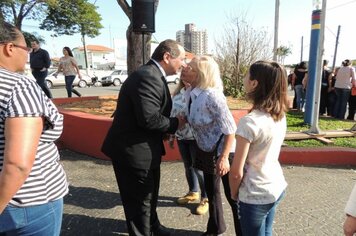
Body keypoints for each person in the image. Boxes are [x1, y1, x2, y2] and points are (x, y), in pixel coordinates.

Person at [101, 39, 186, 236]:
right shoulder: (148, 76)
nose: (183, 64)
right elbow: (149, 119)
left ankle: (153, 227)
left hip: (144, 149)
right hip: (133, 153)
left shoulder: (152, 74)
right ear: (167, 57)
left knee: (149, 197)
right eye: (181, 59)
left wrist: (165, 129)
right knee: (139, 202)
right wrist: (175, 124)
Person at [0, 21, 68, 235]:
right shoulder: (18, 86)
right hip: (26, 203)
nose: (28, 54)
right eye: (25, 49)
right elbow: (18, 164)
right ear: (9, 48)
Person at [182, 55, 241, 236]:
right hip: (205, 150)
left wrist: (224, 158)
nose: (184, 68)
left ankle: (243, 231)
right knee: (212, 193)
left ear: (201, 73)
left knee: (233, 198)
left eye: (190, 67)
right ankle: (215, 229)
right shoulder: (191, 92)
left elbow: (230, 129)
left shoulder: (212, 96)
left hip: (222, 152)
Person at [229, 60, 288, 236]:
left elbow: (236, 172)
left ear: (254, 83)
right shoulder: (279, 114)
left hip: (255, 195)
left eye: (247, 74)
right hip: (276, 186)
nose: (244, 78)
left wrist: (234, 194)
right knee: (267, 231)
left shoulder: (250, 122)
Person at [169, 79, 208, 215]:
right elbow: (172, 113)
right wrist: (172, 135)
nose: (187, 79)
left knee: (199, 168)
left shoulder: (201, 93)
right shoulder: (177, 93)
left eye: (190, 75)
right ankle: (193, 192)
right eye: (183, 76)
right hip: (181, 136)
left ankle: (206, 197)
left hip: (195, 137)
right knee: (188, 165)